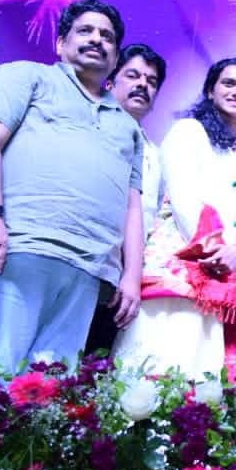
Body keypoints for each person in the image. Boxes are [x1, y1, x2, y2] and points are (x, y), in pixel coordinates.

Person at [0, 0, 143, 371]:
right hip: (20, 247)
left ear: (115, 57)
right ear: (61, 43)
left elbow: (132, 206)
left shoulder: (128, 127)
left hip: (91, 267)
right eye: (85, 31)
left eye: (107, 36)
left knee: (52, 386)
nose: (96, 40)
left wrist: (131, 276)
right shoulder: (27, 77)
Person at [113, 57, 236, 379]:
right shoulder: (189, 132)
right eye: (228, 83)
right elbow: (185, 200)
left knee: (205, 368)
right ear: (210, 90)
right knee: (160, 361)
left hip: (229, 273)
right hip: (183, 263)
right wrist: (216, 252)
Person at [85, 43, 167, 355]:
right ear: (110, 81)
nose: (143, 85)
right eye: (133, 76)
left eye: (151, 81)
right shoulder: (89, 127)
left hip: (125, 282)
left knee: (96, 364)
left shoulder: (155, 154)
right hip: (84, 264)